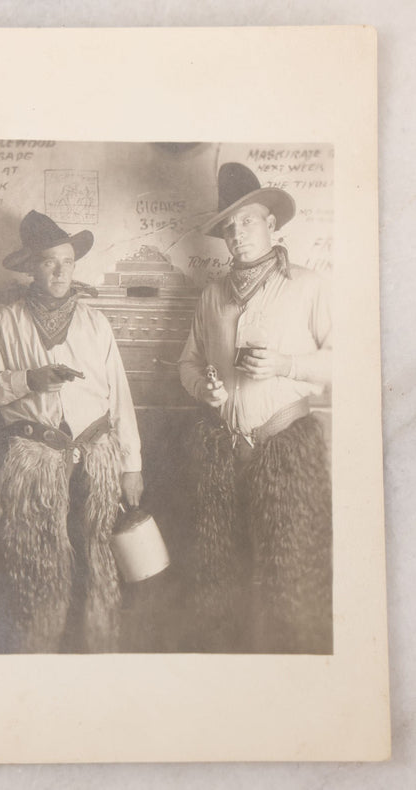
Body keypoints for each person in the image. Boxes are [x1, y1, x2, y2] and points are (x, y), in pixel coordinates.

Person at [0, 210, 143, 653]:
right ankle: (41, 650)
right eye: (49, 262)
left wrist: (132, 467)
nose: (61, 272)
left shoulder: (94, 322)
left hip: (96, 461)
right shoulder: (7, 320)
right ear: (32, 267)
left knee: (95, 558)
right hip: (37, 463)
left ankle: (96, 646)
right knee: (40, 565)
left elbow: (120, 398)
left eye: (68, 261)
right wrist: (28, 380)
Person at [178, 163, 332, 653]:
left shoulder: (308, 285)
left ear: (271, 224)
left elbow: (349, 360)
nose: (237, 234)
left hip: (286, 452)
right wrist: (204, 390)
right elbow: (188, 363)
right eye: (229, 227)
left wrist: (286, 364)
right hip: (224, 456)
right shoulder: (212, 296)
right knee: (227, 578)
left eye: (247, 221)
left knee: (288, 580)